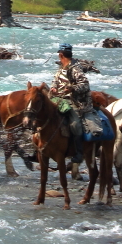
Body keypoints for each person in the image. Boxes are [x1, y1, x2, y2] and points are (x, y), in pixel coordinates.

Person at [49, 43, 101, 175]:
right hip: (60, 99)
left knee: (75, 123)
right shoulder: (61, 67)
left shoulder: (75, 68)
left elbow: (85, 85)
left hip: (76, 102)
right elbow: (55, 81)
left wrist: (72, 88)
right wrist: (53, 88)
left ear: (61, 55)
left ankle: (78, 153)